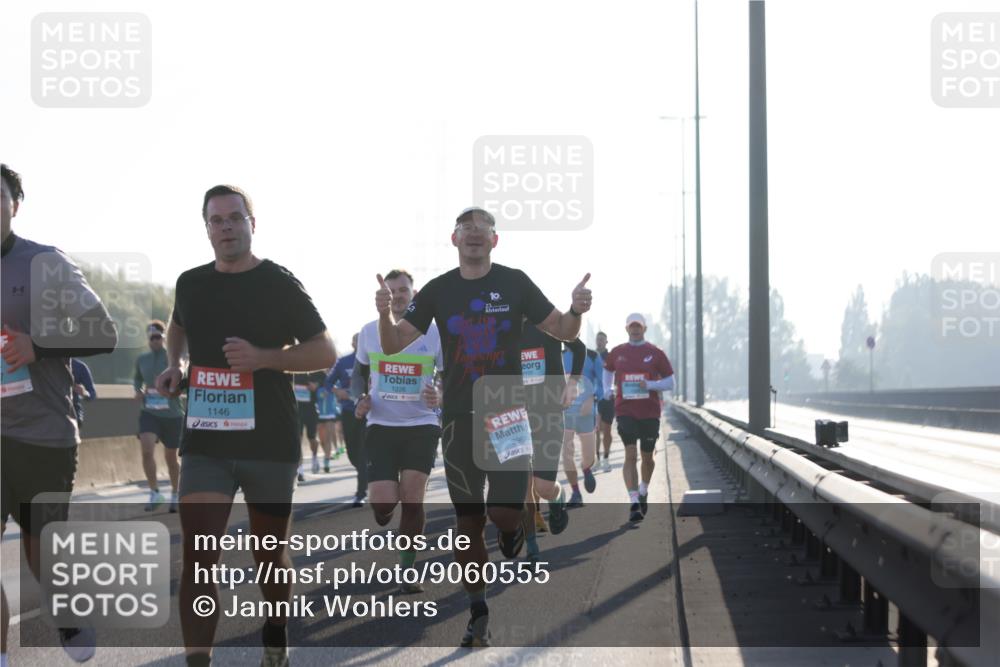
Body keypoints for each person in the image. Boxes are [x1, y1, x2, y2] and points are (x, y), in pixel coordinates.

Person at [375, 206, 592, 647]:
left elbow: (564, 331)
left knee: (504, 514)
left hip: (507, 413)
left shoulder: (515, 282)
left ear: (495, 240)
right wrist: (384, 314)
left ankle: (512, 530)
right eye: (466, 228)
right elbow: (394, 344)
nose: (474, 234)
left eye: (483, 229)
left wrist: (576, 308)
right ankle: (478, 611)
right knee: (468, 521)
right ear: (454, 238)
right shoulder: (438, 290)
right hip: (459, 418)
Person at [155, 185, 336, 667]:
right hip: (206, 442)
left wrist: (263, 358)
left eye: (235, 218)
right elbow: (178, 325)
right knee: (199, 557)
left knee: (269, 556)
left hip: (268, 442)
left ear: (252, 224)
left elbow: (324, 350)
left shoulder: (278, 282)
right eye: (216, 220)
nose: (226, 228)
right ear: (206, 229)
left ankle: (275, 632)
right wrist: (176, 365)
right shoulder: (190, 283)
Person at [1, 163, 118, 664]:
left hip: (42, 434)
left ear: (15, 205)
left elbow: (103, 333)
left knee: (42, 551)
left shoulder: (45, 263)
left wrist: (37, 345)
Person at [352, 269, 443, 593]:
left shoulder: (434, 332)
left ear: (413, 294)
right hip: (381, 425)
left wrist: (440, 394)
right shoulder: (369, 331)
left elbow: (448, 375)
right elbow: (357, 375)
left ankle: (407, 569)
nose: (397, 296)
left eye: (402, 290)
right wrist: (359, 399)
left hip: (422, 424)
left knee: (413, 499)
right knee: (383, 504)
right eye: (391, 291)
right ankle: (383, 510)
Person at [602, 313, 674, 523]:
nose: (635, 330)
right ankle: (633, 501)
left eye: (638, 327)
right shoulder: (617, 352)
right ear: (626, 329)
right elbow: (607, 371)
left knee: (647, 458)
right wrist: (607, 389)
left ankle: (643, 490)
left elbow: (671, 382)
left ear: (644, 329)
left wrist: (650, 385)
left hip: (650, 412)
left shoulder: (656, 353)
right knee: (630, 454)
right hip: (625, 410)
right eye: (632, 327)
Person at [518, 321, 577, 561]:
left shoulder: (546, 323)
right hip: (514, 415)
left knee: (542, 487)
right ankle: (531, 546)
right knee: (522, 484)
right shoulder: (501, 327)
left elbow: (580, 348)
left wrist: (572, 383)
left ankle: (557, 496)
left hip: (549, 413)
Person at [134, 320, 184, 512]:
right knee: (146, 451)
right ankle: (155, 493)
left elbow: (183, 379)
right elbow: (137, 379)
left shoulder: (173, 358)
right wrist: (138, 390)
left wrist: (174, 389)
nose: (154, 341)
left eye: (157, 337)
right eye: (151, 338)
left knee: (171, 459)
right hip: (149, 412)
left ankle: (175, 493)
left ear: (163, 338)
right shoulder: (142, 359)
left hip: (172, 415)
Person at [560, 339, 603, 507]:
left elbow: (602, 382)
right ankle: (576, 492)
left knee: (589, 456)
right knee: (567, 453)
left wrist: (593, 398)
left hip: (586, 412)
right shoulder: (557, 355)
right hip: (565, 411)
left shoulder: (592, 355)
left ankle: (586, 468)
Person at [325, 334, 367, 507]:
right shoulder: (343, 362)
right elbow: (328, 383)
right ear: (352, 343)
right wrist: (337, 391)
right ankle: (365, 472)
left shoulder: (373, 359)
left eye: (363, 340)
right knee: (352, 452)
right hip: (349, 412)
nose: (360, 343)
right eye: (357, 341)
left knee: (363, 452)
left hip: (367, 413)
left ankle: (361, 492)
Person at [292, 370, 326, 479]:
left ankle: (315, 458)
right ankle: (300, 469)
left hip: (311, 408)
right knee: (298, 438)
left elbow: (325, 379)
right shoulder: (293, 369)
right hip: (297, 409)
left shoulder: (315, 369)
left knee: (312, 438)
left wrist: (316, 384)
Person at [595, 331, 614, 473]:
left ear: (606, 342)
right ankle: (597, 460)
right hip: (594, 398)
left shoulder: (611, 357)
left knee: (607, 430)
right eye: (598, 339)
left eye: (602, 339)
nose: (600, 341)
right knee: (595, 430)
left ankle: (606, 459)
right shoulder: (590, 356)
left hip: (608, 398)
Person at [70, 358, 97, 425]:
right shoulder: (47, 366)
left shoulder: (79, 367)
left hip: (73, 412)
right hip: (51, 411)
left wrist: (84, 392)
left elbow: (92, 394)